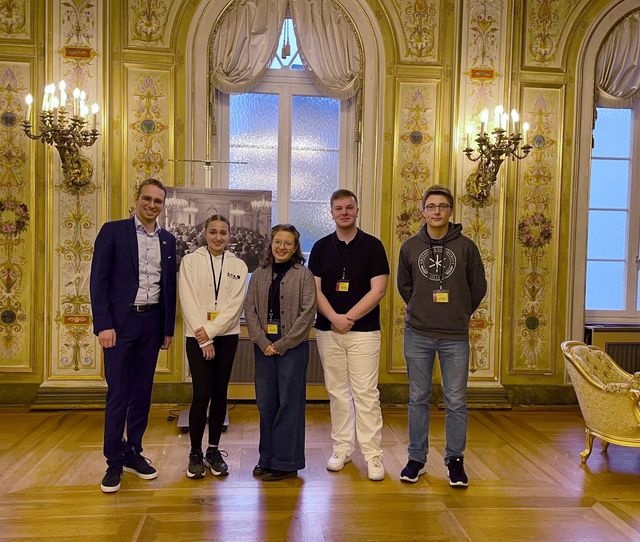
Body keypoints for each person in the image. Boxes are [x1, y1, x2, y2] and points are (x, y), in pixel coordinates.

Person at [90, 178, 177, 493]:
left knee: (142, 393)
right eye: (147, 199)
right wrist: (104, 325)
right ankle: (114, 461)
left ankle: (134, 452)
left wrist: (167, 329)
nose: (152, 205)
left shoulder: (168, 240)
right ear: (136, 198)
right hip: (120, 325)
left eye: (158, 201)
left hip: (152, 325)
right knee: (118, 394)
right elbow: (98, 281)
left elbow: (169, 287)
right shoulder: (113, 232)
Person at [397, 184, 486, 487]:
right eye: (431, 206)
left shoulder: (466, 247)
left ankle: (455, 460)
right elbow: (404, 286)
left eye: (442, 206)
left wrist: (459, 312)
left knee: (456, 401)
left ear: (450, 211)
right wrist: (422, 308)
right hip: (418, 333)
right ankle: (416, 458)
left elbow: (478, 287)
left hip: (454, 336)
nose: (436, 211)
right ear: (423, 211)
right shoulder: (410, 246)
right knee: (417, 398)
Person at [308, 189, 389, 481]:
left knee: (366, 394)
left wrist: (349, 318)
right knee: (337, 392)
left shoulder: (373, 246)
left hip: (364, 332)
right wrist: (334, 318)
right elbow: (314, 290)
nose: (344, 212)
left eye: (349, 207)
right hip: (328, 330)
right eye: (338, 208)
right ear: (331, 213)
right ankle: (342, 448)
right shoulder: (319, 247)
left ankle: (373, 455)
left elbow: (378, 290)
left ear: (357, 210)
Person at [244, 224, 316, 481]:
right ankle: (267, 459)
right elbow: (249, 310)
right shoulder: (259, 274)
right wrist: (264, 343)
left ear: (295, 247)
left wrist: (282, 344)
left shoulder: (304, 275)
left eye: (287, 243)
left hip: (292, 349)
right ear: (271, 244)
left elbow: (308, 314)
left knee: (289, 404)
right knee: (266, 403)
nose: (281, 247)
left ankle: (286, 463)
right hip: (264, 347)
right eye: (277, 242)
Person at [178, 214, 248, 479]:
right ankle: (195, 452)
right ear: (204, 233)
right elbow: (187, 299)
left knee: (220, 393)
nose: (218, 237)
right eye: (213, 232)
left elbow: (234, 307)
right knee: (201, 393)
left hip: (226, 336)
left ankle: (213, 450)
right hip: (196, 337)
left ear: (229, 235)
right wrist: (203, 337)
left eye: (223, 232)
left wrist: (211, 332)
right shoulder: (190, 261)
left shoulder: (239, 265)